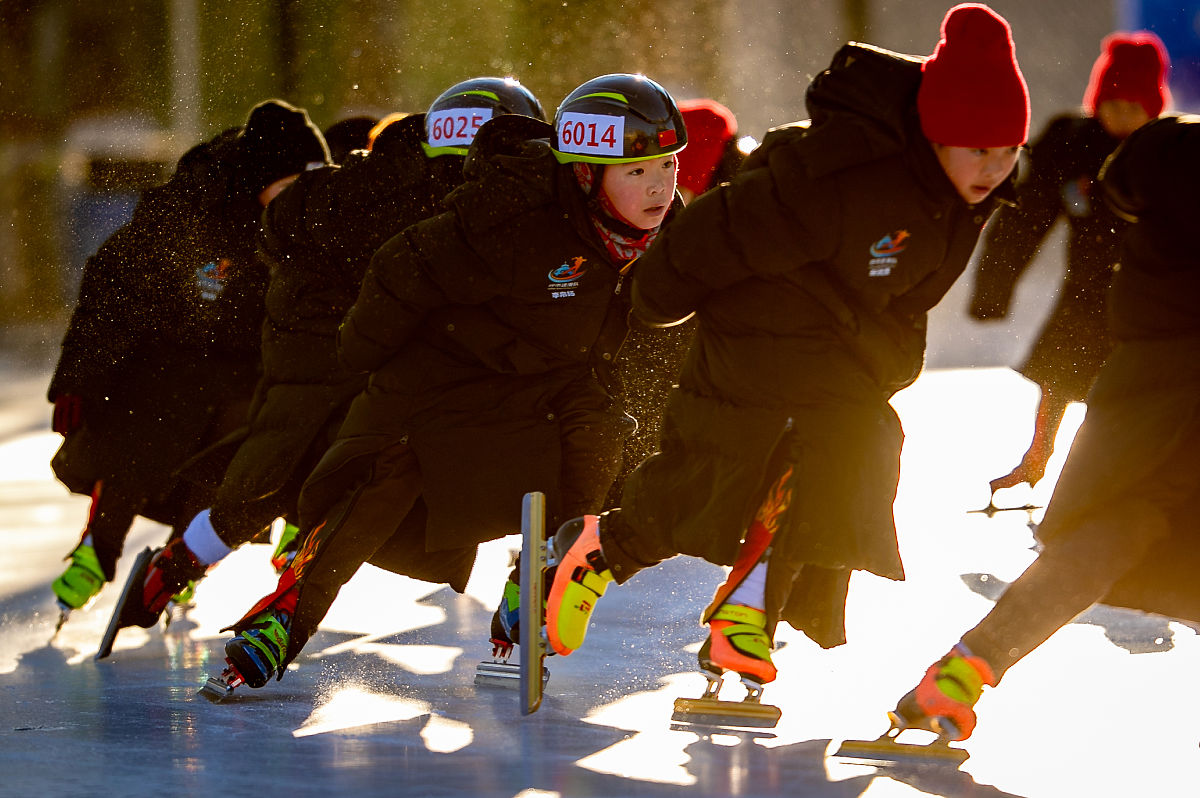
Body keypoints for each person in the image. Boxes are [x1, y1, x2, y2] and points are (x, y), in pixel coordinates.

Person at [543, 3, 1029, 702]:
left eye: (1007, 149)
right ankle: (606, 558)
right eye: (977, 147)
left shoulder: (962, 200)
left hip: (833, 354)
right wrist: (655, 296)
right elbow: (726, 225)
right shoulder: (839, 173)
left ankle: (744, 615)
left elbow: (905, 302)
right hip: (751, 328)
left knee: (850, 451)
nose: (993, 167)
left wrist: (889, 362)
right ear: (934, 135)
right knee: (720, 470)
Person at [210, 73, 688, 692]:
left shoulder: (659, 224)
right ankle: (282, 621)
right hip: (442, 375)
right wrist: (361, 351)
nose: (659, 187)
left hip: (548, 376)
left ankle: (536, 582)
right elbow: (401, 267)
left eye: (667, 166)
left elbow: (683, 298)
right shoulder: (511, 215)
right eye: (636, 172)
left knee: (600, 439)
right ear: (584, 173)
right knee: (377, 481)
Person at [110, 78, 546, 634]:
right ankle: (215, 578)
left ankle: (188, 569)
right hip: (336, 361)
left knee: (278, 484)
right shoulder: (428, 191)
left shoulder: (395, 174)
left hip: (329, 357)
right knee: (329, 484)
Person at [882, 112, 1200, 744]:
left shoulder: (1164, 156)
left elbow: (1109, 193)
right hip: (1159, 383)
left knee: (1099, 539)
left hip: (1142, 388)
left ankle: (960, 675)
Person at [47, 99, 330, 618]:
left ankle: (183, 558)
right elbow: (111, 289)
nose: (301, 201)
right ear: (261, 180)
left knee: (235, 455)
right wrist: (78, 379)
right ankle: (97, 548)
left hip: (252, 372)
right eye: (290, 188)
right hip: (169, 362)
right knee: (142, 430)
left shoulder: (309, 230)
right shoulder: (192, 211)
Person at [971, 31, 1171, 495]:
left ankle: (1114, 468)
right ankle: (1037, 456)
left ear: (1152, 109)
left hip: (1148, 293)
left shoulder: (1165, 152)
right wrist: (994, 288)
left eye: (1134, 107)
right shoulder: (1073, 144)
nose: (1122, 116)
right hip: (1083, 288)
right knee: (1058, 373)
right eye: (1113, 104)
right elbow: (1026, 218)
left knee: (1127, 389)